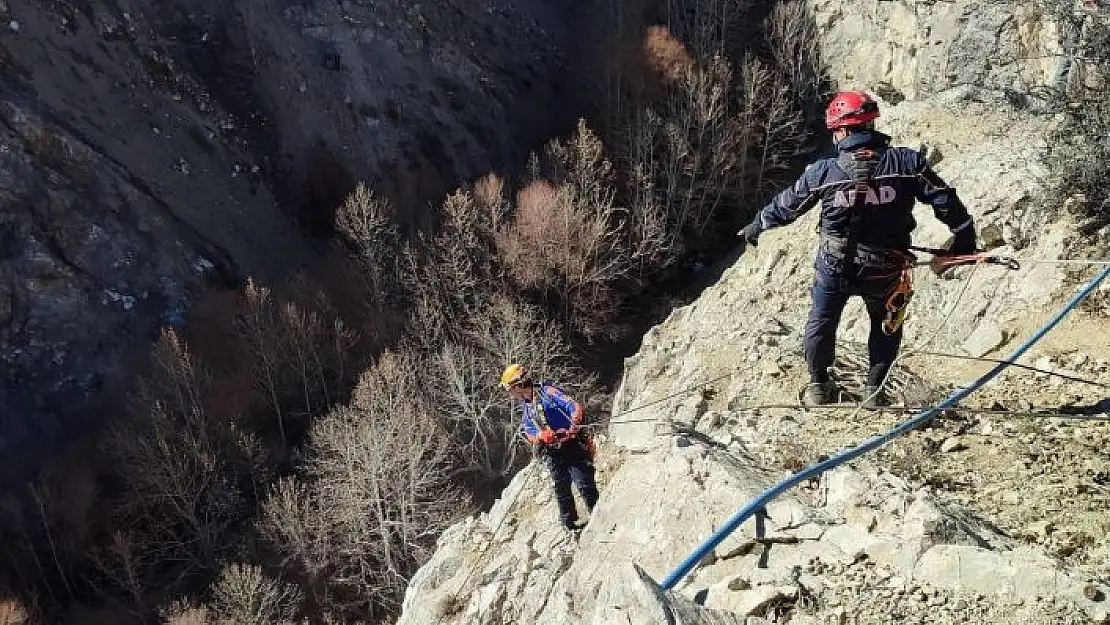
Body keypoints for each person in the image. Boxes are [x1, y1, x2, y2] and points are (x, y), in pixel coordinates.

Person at [736, 90, 978, 407]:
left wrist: (755, 227)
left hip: (835, 267)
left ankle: (820, 388)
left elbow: (785, 206)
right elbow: (945, 199)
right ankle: (874, 393)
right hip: (887, 267)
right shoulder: (907, 163)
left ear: (845, 130)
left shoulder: (823, 173)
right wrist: (964, 239)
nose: (835, 137)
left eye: (836, 131)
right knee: (885, 325)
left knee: (821, 321)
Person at [500, 364, 599, 531]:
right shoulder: (526, 405)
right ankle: (571, 526)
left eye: (510, 388)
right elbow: (529, 431)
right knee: (561, 488)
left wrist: (574, 422)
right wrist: (540, 436)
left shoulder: (547, 393)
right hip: (552, 451)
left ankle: (599, 515)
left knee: (584, 483)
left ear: (518, 385)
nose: (509, 393)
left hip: (571, 443)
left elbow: (573, 406)